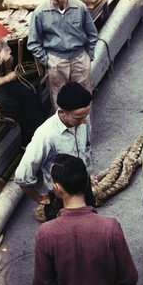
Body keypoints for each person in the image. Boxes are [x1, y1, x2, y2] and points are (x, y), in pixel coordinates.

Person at [32, 153, 138, 285]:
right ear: (88, 181)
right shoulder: (110, 227)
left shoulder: (45, 233)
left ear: (57, 188)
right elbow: (127, 277)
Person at [14, 81, 95, 220]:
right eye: (78, 118)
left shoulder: (82, 121)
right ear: (62, 112)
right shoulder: (45, 135)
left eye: (86, 115)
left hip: (84, 188)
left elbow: (87, 148)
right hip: (59, 198)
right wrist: (39, 198)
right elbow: (23, 175)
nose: (84, 122)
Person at [27, 0, 98, 112]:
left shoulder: (80, 7)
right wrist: (47, 61)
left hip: (80, 58)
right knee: (59, 100)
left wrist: (89, 55)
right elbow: (33, 43)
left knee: (84, 99)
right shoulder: (40, 12)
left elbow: (92, 34)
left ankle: (85, 129)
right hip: (56, 61)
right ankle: (63, 129)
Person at [0, 18, 45, 147]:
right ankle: (27, 142)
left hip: (6, 80)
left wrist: (8, 60)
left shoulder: (0, 43)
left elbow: (9, 68)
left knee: (30, 98)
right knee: (17, 109)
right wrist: (7, 79)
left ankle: (38, 138)